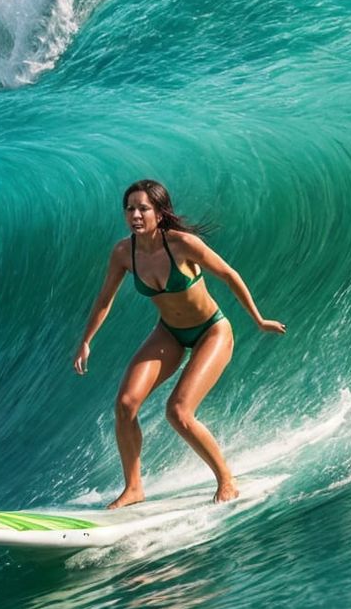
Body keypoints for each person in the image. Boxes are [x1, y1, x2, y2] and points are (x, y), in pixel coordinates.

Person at [72, 179, 285, 507]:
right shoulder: (123, 253)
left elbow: (229, 274)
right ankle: (133, 488)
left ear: (160, 211)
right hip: (169, 332)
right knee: (126, 404)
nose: (136, 215)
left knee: (178, 411)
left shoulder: (183, 244)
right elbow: (104, 300)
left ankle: (226, 479)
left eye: (144, 208)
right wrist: (86, 340)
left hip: (212, 331)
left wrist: (258, 319)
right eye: (130, 208)